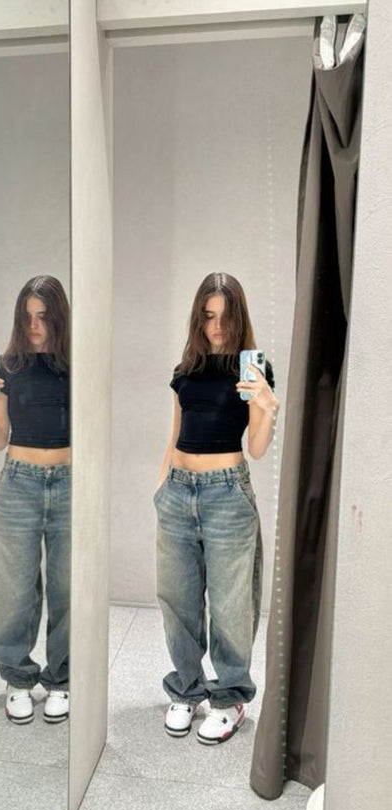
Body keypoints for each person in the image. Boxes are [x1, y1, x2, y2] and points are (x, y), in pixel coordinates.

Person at [153, 272, 279, 745]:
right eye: (209, 316)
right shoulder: (185, 370)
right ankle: (186, 689)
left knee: (231, 605)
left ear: (238, 318)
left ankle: (229, 698)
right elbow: (175, 434)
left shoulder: (252, 372)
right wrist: (161, 487)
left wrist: (268, 405)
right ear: (198, 319)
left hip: (227, 493)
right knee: (177, 599)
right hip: (177, 491)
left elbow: (258, 448)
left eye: (226, 316)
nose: (217, 326)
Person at [0, 275, 71, 725]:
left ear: (58, 318)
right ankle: (18, 678)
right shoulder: (9, 365)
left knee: (67, 589)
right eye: (27, 317)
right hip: (19, 481)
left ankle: (63, 679)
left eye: (43, 316)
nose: (34, 326)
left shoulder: (75, 365)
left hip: (70, 481)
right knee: (14, 590)